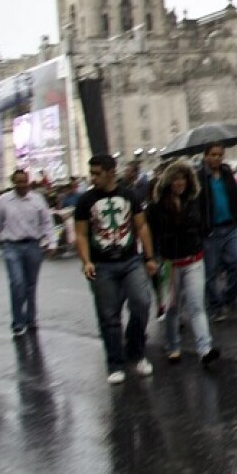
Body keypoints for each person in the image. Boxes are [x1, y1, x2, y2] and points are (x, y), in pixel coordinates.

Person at [75, 154, 160, 385]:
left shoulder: (129, 195)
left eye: (97, 173)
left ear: (111, 172)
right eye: (91, 173)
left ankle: (136, 350)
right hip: (102, 264)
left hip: (130, 260)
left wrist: (149, 257)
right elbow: (81, 234)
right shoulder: (85, 201)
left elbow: (141, 226)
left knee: (141, 302)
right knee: (109, 316)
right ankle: (115, 363)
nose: (93, 178)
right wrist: (86, 261)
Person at [146, 161, 219, 367]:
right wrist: (151, 258)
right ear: (168, 181)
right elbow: (151, 233)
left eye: (183, 178)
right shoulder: (157, 207)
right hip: (170, 263)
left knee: (197, 306)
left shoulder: (194, 200)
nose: (180, 183)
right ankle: (173, 346)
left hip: (194, 259)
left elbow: (203, 223)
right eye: (176, 179)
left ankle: (205, 349)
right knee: (172, 309)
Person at [0, 168, 53, 336]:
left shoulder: (37, 200)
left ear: (28, 181)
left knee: (31, 285)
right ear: (13, 182)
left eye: (24, 181)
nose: (21, 185)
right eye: (18, 181)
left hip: (33, 245)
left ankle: (31, 319)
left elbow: (47, 222)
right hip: (11, 246)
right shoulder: (4, 200)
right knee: (17, 283)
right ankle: (18, 321)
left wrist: (52, 242)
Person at [200, 144, 237, 320]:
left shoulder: (227, 174)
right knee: (211, 272)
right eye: (213, 154)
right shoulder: (199, 177)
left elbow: (236, 198)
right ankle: (215, 306)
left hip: (230, 227)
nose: (217, 158)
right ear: (205, 156)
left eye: (220, 155)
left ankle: (229, 296)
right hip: (211, 231)